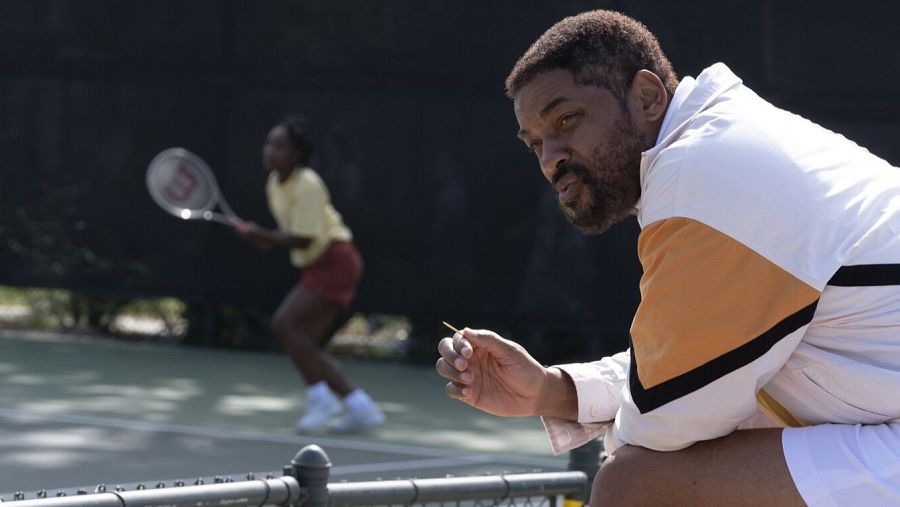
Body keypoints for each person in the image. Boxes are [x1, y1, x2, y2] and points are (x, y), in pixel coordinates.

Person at [435, 9, 900, 507]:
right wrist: (553, 389)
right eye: (535, 144)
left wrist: (627, 415)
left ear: (648, 96)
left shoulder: (704, 176)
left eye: (566, 120)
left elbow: (667, 421)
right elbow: (694, 371)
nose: (551, 157)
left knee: (637, 483)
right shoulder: (724, 145)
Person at [236, 115, 384, 433]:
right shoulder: (275, 185)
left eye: (279, 146)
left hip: (336, 260)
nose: (269, 151)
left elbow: (304, 237)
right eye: (268, 144)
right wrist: (263, 239)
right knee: (303, 342)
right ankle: (360, 406)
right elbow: (287, 236)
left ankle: (321, 398)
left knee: (284, 324)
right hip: (318, 263)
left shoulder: (307, 183)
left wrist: (263, 235)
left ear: (297, 154)